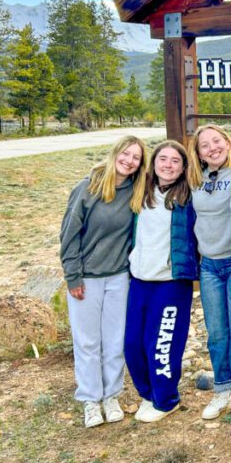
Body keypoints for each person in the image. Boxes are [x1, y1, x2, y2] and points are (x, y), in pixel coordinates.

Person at [60, 135, 148, 429]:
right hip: (86, 278)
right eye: (126, 154)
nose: (129, 161)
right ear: (115, 154)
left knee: (114, 341)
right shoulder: (88, 188)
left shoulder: (136, 192)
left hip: (120, 277)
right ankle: (90, 400)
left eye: (136, 157)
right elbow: (69, 236)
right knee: (87, 342)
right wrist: (72, 276)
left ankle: (111, 395)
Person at [124, 140, 199, 423]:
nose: (168, 165)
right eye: (163, 159)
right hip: (140, 280)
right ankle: (148, 393)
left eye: (175, 161)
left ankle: (167, 399)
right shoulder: (141, 192)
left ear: (183, 167)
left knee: (162, 343)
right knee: (133, 343)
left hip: (171, 282)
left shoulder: (188, 197)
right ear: (153, 163)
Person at [187, 125, 231, 420]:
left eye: (216, 141)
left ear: (227, 142)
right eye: (204, 145)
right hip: (209, 265)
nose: (212, 148)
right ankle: (222, 391)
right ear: (197, 153)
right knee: (217, 334)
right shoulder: (194, 179)